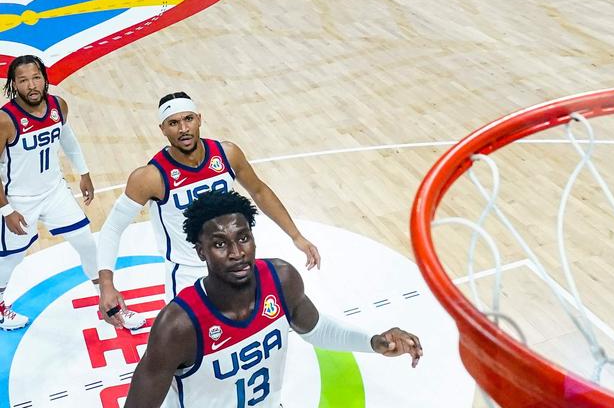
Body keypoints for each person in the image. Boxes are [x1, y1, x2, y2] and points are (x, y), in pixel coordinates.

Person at [123, 191, 421, 407]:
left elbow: (317, 330)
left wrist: (375, 342)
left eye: (243, 238)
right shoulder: (178, 325)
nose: (237, 253)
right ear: (201, 252)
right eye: (219, 244)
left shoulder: (281, 279)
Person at [96, 92, 321, 324]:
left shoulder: (227, 154)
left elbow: (259, 192)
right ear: (162, 129)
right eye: (173, 123)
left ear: (199, 119)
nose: (183, 128)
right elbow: (112, 228)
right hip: (187, 274)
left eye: (189, 119)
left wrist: (296, 236)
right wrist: (106, 285)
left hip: (233, 265)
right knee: (188, 352)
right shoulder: (150, 177)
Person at [0, 56, 123, 330]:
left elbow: (67, 139)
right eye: (23, 80)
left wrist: (84, 172)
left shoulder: (58, 106)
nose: (31, 85)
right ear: (14, 85)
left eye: (36, 77)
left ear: (44, 78)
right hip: (20, 200)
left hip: (55, 191)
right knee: (10, 258)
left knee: (86, 242)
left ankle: (108, 301)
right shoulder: (5, 120)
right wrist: (6, 210)